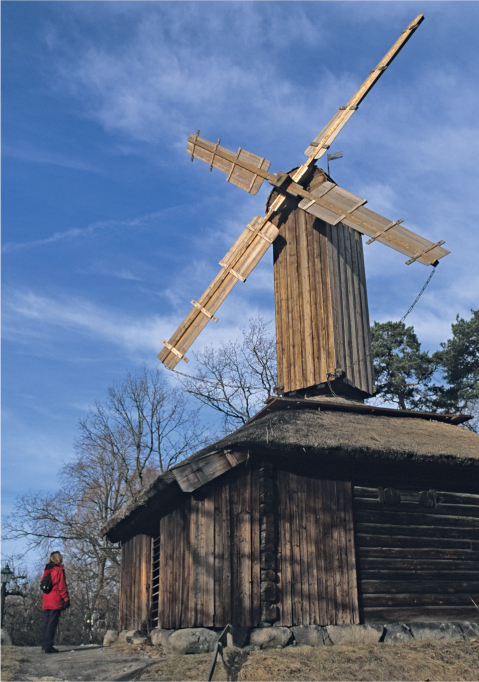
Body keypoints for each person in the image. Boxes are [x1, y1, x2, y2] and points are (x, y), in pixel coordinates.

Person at [41, 551, 70, 653]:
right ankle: (49, 646)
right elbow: (62, 586)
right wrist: (66, 598)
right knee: (52, 623)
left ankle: (45, 644)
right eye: (61, 556)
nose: (62, 557)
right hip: (55, 599)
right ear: (58, 558)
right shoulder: (58, 570)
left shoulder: (47, 570)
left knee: (46, 622)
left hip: (47, 599)